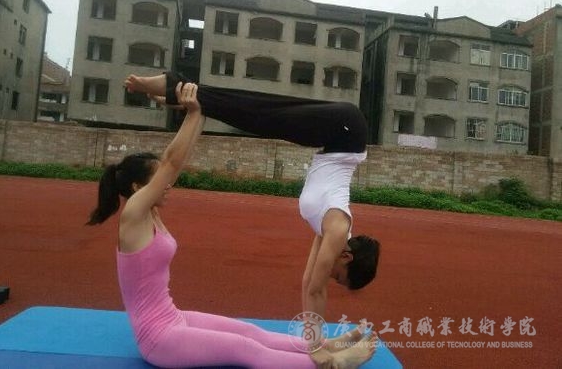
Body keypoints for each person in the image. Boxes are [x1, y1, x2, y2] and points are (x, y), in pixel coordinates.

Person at [87, 82, 377, 368]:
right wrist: (194, 112)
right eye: (158, 182)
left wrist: (199, 111)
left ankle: (324, 345)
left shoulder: (149, 213)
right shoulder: (134, 214)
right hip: (157, 339)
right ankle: (331, 365)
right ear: (138, 188)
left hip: (174, 318)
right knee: (245, 349)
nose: (168, 186)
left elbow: (173, 164)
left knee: (251, 332)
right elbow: (170, 164)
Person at [124, 73, 381, 320]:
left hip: (339, 136)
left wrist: (310, 340)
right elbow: (316, 289)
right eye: (339, 277)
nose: (331, 277)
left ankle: (177, 89)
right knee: (261, 113)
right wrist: (319, 344)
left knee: (259, 113)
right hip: (346, 131)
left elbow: (307, 282)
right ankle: (174, 87)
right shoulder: (337, 229)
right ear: (347, 257)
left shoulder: (327, 232)